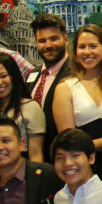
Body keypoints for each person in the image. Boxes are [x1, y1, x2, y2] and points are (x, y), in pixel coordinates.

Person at [53, 23, 102, 185]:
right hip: (81, 170)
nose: (87, 52)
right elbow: (70, 141)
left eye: (93, 46)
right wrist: (88, 148)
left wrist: (88, 146)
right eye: (81, 47)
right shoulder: (65, 88)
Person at [0, 52, 46, 163]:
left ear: (14, 76)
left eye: (3, 76)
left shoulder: (30, 108)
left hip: (22, 173)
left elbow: (36, 156)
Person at [28, 13, 72, 145]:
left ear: (65, 39)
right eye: (42, 41)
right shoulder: (33, 74)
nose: (48, 45)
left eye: (53, 39)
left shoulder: (77, 73)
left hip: (63, 151)